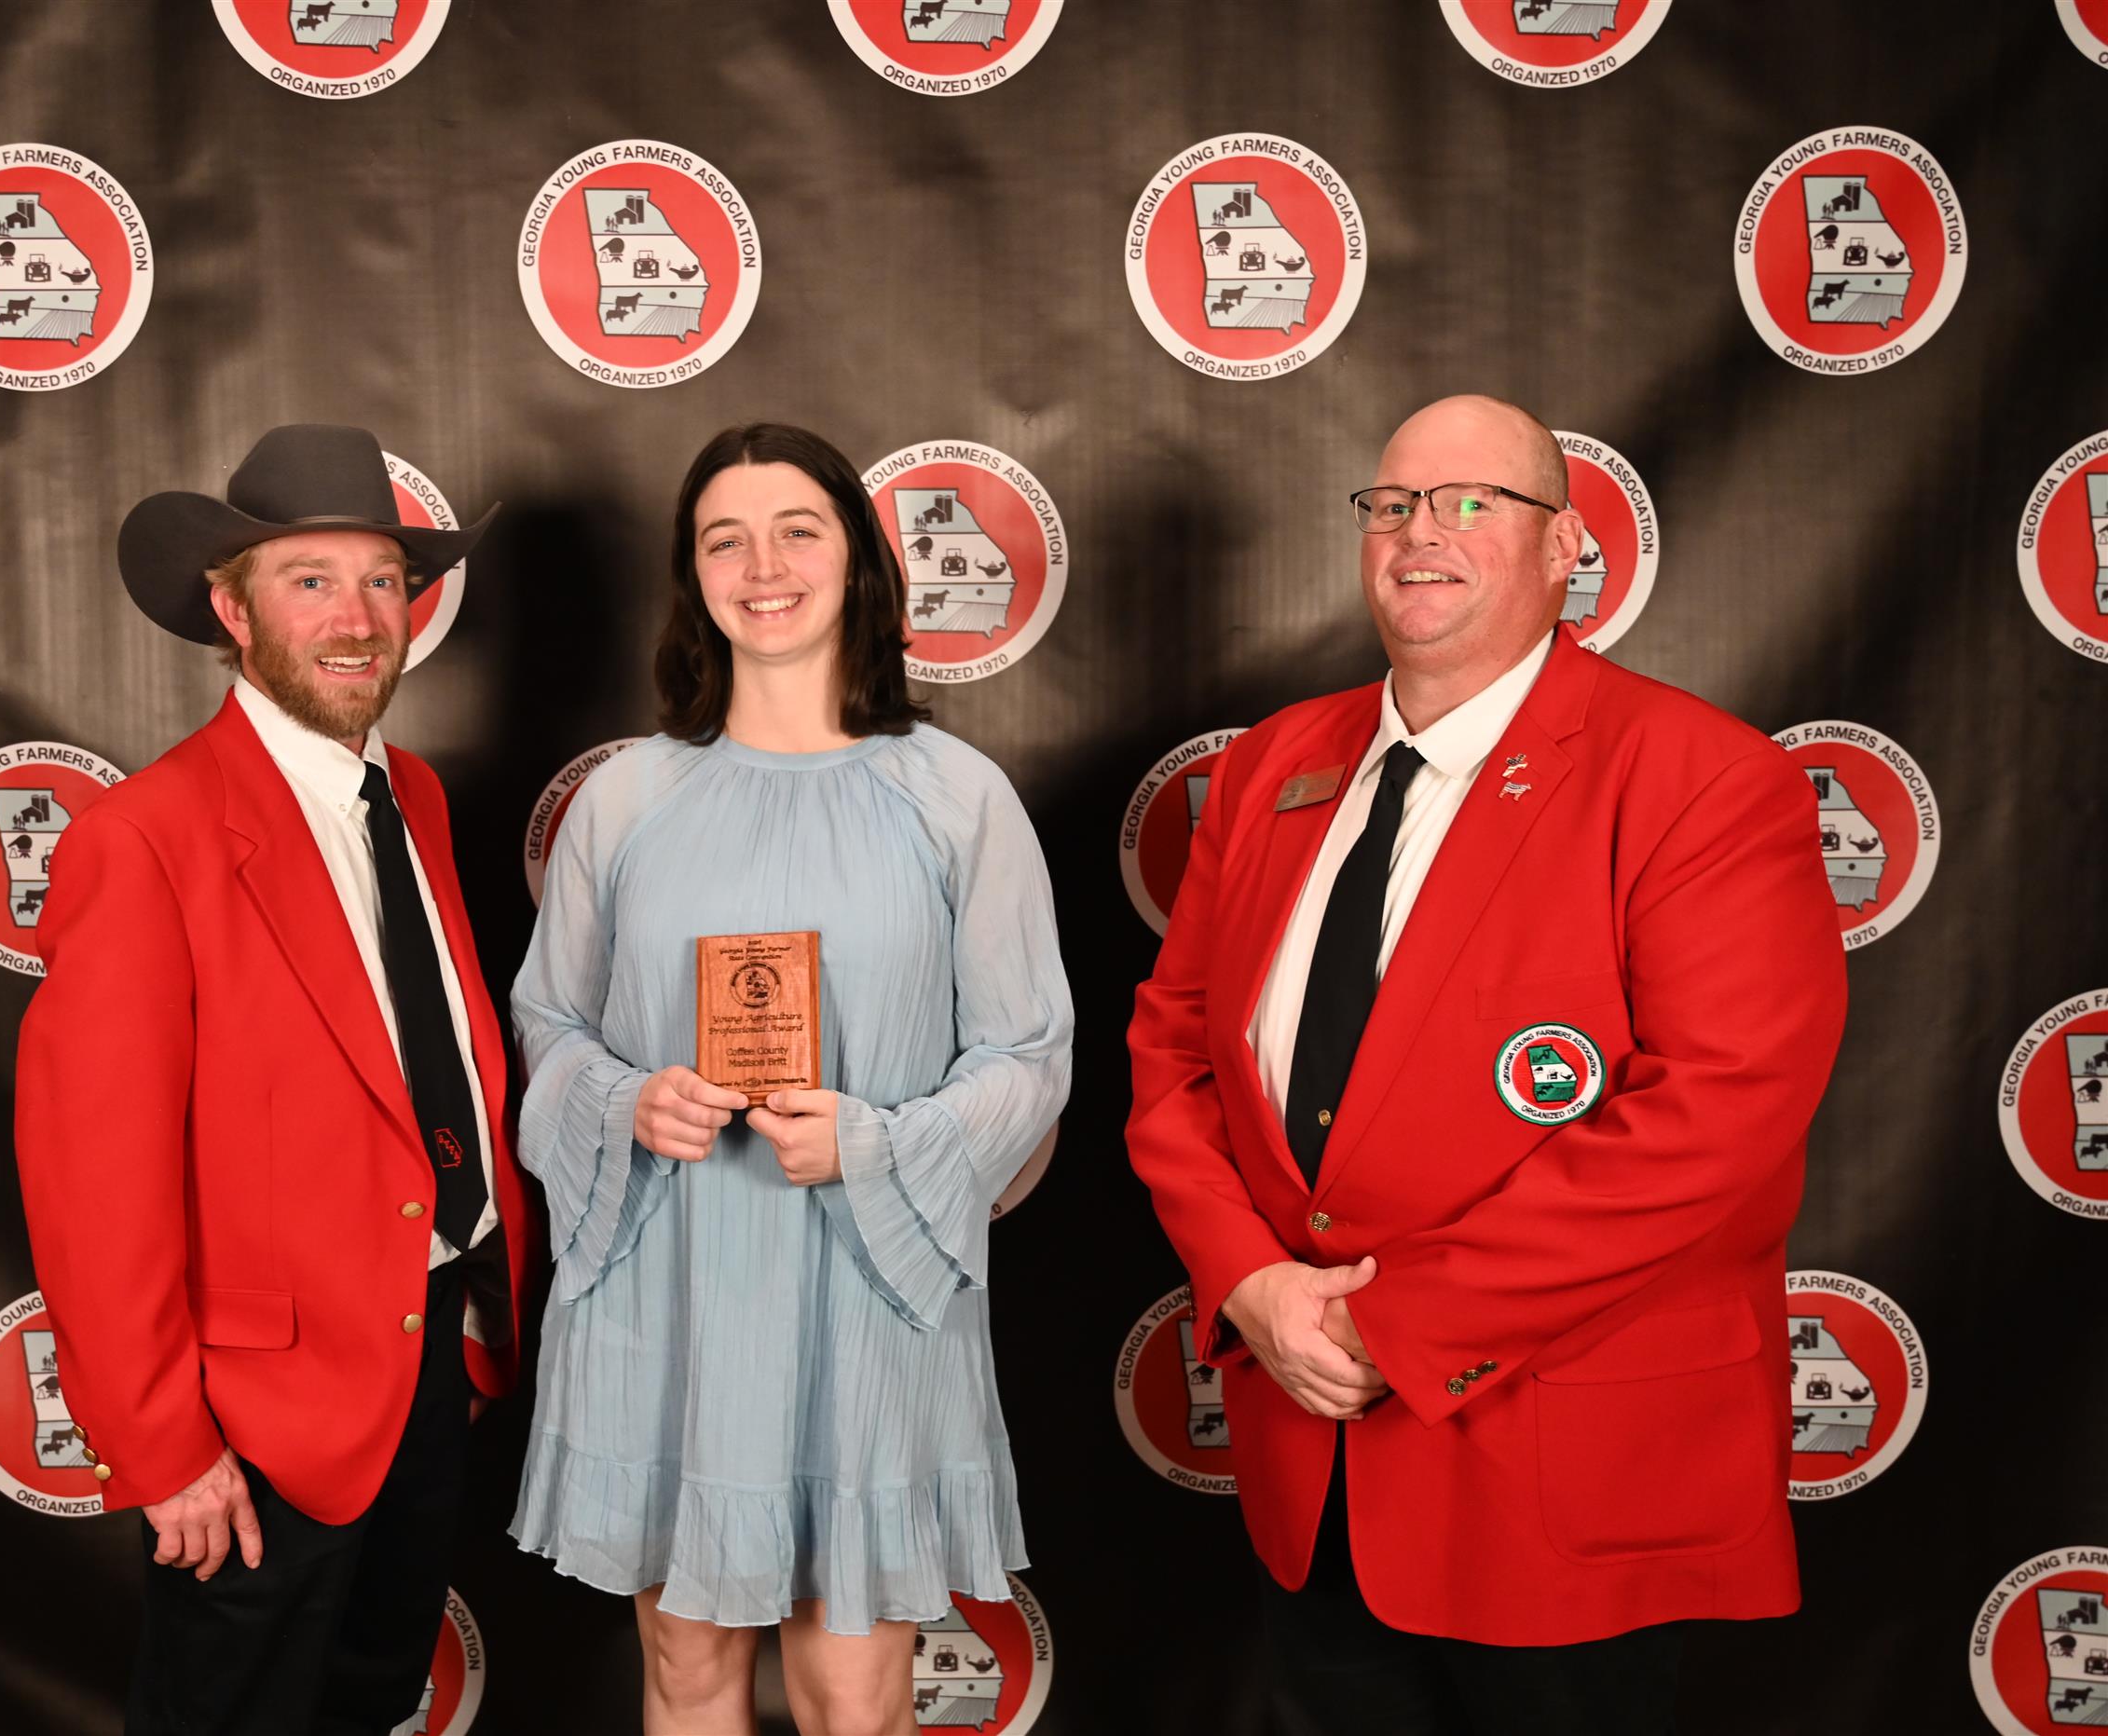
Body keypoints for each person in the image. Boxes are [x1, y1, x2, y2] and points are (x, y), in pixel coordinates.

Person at [1123, 395, 1847, 1734]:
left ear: (1565, 545)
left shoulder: (1700, 777)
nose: (1421, 532)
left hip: (1565, 1476)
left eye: (1473, 502)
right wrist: (1253, 1283)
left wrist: (1392, 1325)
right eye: (1393, 503)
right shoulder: (1276, 765)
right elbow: (1175, 1051)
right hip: (1314, 1464)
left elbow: (1719, 1113)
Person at [508, 423, 1071, 1736]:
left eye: (797, 531)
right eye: (726, 540)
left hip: (873, 1283)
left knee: (852, 1688)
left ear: (858, 561)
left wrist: (878, 1145)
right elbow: (549, 1024)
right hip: (670, 1279)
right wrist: (627, 1103)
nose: (763, 567)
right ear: (693, 576)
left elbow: (1028, 1052)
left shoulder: (958, 796)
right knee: (685, 1665)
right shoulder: (624, 798)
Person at [15, 424, 529, 1735]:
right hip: (252, 1416)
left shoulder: (412, 796)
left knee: (371, 1703)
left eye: (380, 581)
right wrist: (165, 1447)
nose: (357, 619)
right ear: (233, 613)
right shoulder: (145, 839)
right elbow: (94, 1183)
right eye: (311, 582)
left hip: (424, 1359)